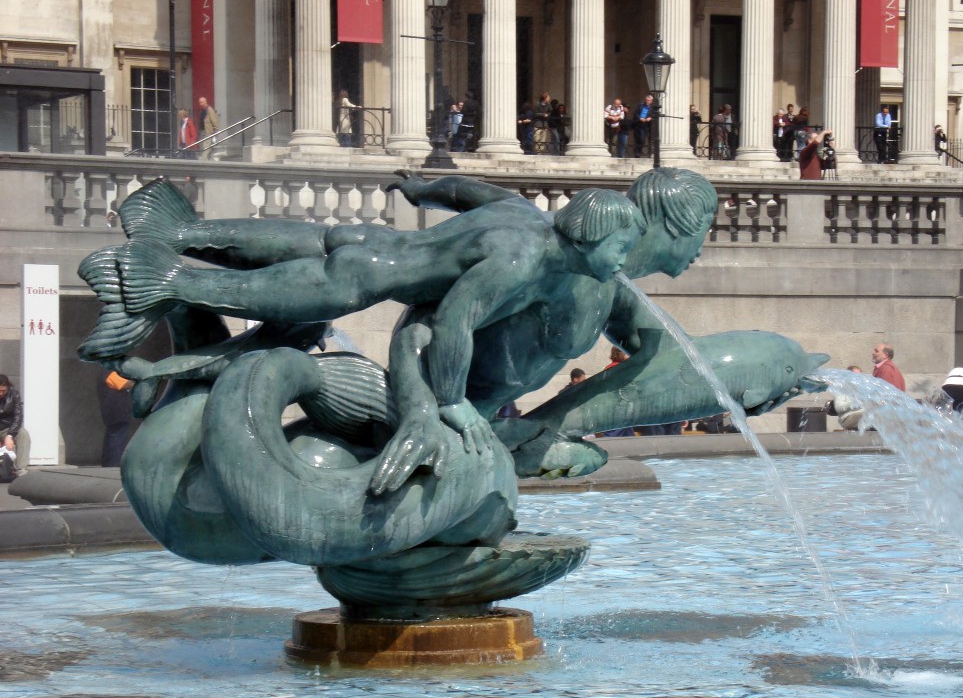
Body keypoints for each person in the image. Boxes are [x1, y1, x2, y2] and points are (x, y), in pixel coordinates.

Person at [80, 178, 645, 446]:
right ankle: (149, 280)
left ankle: (170, 229)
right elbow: (455, 321)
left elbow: (468, 191)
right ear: (592, 236)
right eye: (622, 248)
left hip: (369, 242)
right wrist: (452, 402)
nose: (625, 263)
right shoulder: (522, 262)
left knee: (233, 261)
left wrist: (423, 189)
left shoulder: (526, 217)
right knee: (198, 286)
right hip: (355, 281)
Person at [98, 370, 135, 466]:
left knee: (113, 436)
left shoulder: (107, 373)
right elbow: (124, 384)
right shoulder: (109, 373)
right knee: (117, 439)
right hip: (117, 412)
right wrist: (137, 382)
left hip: (114, 412)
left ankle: (108, 463)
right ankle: (113, 463)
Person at [0, 375, 29, 475]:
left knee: (23, 434)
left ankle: (21, 468)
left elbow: (18, 417)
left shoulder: (14, 394)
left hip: (7, 427)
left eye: (3, 390)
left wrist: (10, 435)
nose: (1, 393)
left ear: (8, 387)